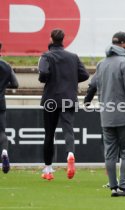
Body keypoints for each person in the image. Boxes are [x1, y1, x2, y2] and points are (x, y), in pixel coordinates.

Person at [84, 32, 125, 197]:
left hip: (106, 116)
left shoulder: (101, 64)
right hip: (124, 116)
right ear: (124, 44)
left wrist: (87, 101)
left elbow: (92, 86)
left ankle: (113, 187)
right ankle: (123, 188)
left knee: (110, 153)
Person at [38, 29, 89, 180]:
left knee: (49, 134)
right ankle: (70, 154)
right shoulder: (73, 57)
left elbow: (43, 73)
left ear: (51, 39)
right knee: (68, 130)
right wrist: (71, 81)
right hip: (69, 98)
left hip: (51, 99)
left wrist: (45, 79)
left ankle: (48, 170)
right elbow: (85, 74)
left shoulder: (46, 56)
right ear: (63, 40)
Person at [0, 42, 19, 174]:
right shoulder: (6, 66)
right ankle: (4, 151)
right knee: (1, 132)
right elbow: (15, 84)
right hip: (1, 103)